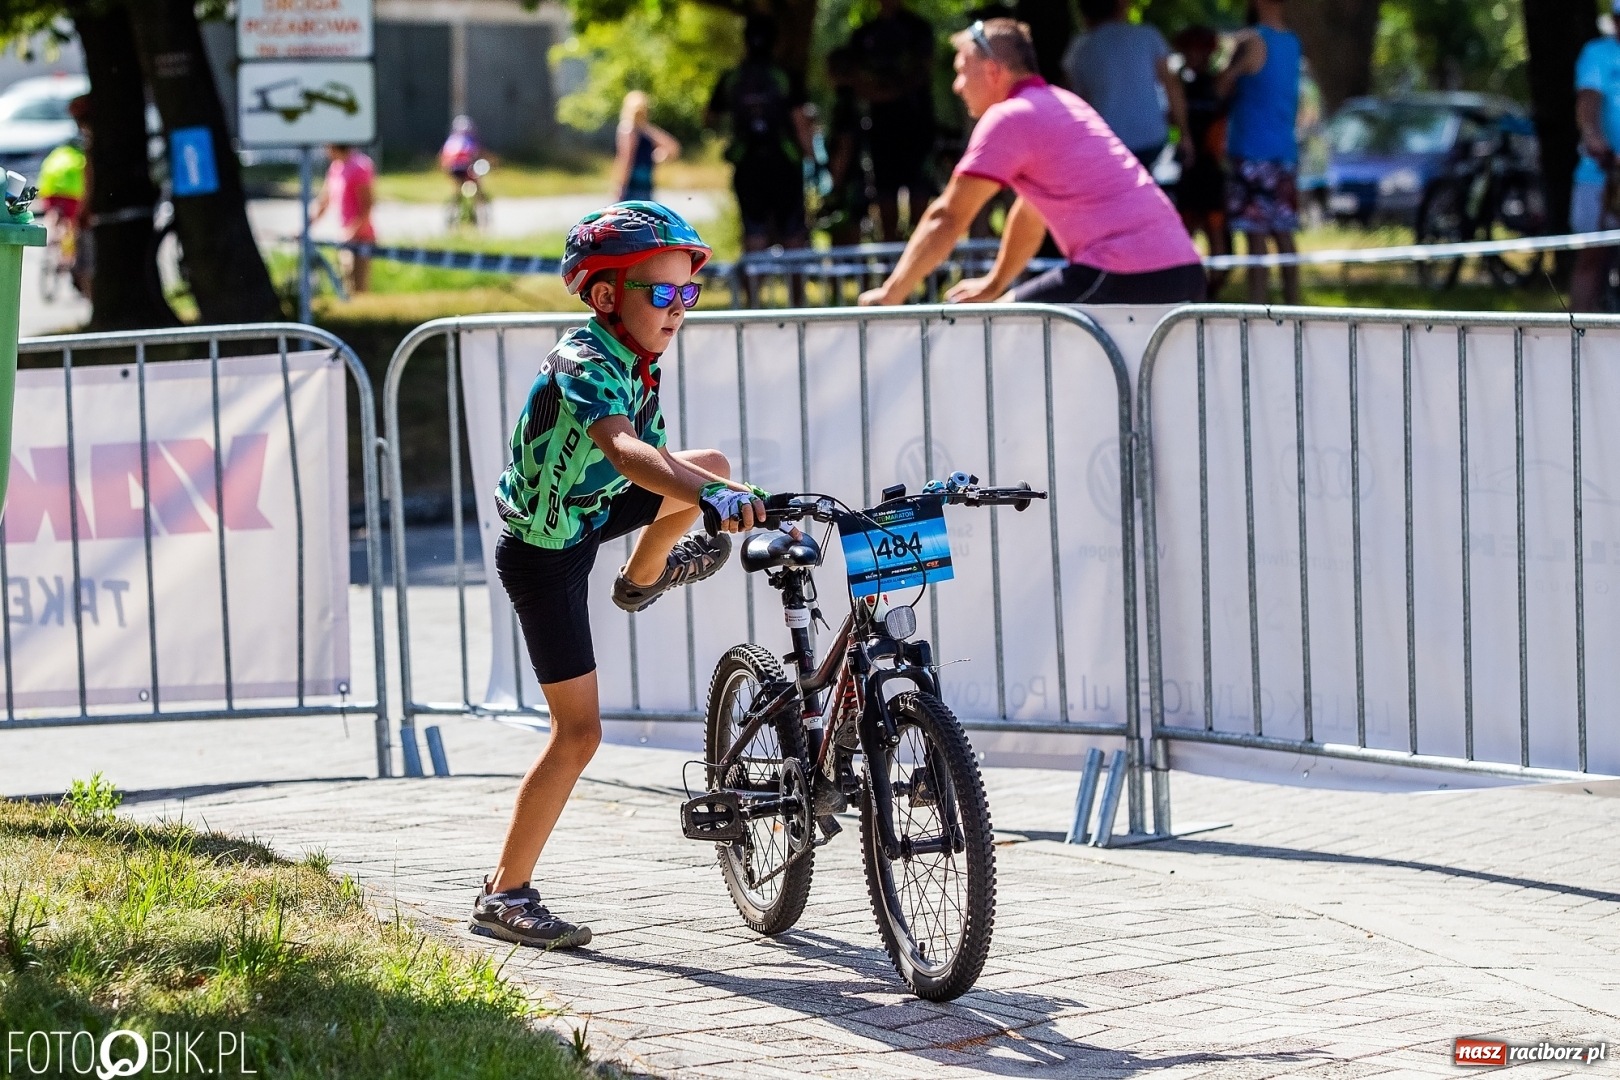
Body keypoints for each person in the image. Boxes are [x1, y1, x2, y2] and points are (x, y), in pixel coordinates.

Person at [468, 202, 768, 948]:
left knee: (712, 465)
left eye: (687, 295)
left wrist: (708, 488)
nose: (677, 310)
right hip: (542, 554)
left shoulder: (638, 362)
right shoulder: (584, 359)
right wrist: (711, 499)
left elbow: (661, 466)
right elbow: (630, 455)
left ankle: (642, 579)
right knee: (579, 733)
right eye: (661, 294)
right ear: (606, 296)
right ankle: (505, 896)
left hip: (588, 513)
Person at [859, 18, 1203, 307]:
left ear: (993, 71)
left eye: (963, 71)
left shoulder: (1010, 117)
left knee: (1000, 333)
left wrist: (890, 296)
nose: (957, 86)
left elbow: (947, 217)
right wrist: (995, 284)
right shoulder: (1060, 103)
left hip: (1123, 272)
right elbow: (1031, 215)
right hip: (1182, 272)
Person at [1217, 0, 1302, 305]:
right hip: (1284, 151)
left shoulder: (1250, 40)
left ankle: (1256, 309)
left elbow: (1222, 85)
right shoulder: (1292, 42)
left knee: (1256, 239)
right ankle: (1295, 307)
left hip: (1252, 152)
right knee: (1284, 234)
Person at [707, 16, 813, 254]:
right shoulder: (786, 75)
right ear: (777, 43)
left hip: (747, 162)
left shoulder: (732, 78)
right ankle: (797, 292)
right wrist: (811, 156)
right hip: (784, 161)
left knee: (754, 231)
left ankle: (752, 292)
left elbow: (709, 118)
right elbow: (800, 122)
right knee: (793, 230)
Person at [1063, 0, 1190, 176]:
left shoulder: (1080, 48)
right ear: (1122, 6)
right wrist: (1185, 134)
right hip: (1151, 139)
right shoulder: (1148, 35)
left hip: (1107, 143)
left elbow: (1074, 102)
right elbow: (1172, 86)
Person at [847, 0, 938, 239]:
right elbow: (856, 78)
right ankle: (892, 268)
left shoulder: (918, 29)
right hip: (880, 132)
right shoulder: (864, 34)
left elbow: (924, 70)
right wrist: (880, 94)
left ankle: (925, 266)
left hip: (916, 129)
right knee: (885, 205)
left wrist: (891, 93)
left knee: (920, 200)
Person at [1173, 25, 1231, 296]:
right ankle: (1186, 285)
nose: (1191, 56)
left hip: (1211, 168)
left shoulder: (1218, 87)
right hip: (1189, 169)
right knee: (1185, 231)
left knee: (1216, 228)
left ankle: (1214, 286)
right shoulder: (1181, 88)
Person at [1570, 0, 1620, 312]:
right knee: (1592, 255)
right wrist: (1593, 138)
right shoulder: (1598, 54)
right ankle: (1579, 336)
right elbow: (1588, 102)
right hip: (1600, 175)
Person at [312, 143, 375, 293]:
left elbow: (367, 206)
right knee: (345, 289)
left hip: (360, 239)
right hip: (344, 238)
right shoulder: (335, 167)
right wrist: (306, 226)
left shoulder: (360, 166)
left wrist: (351, 233)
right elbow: (323, 202)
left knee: (357, 289)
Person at [613, 92, 681, 203]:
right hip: (646, 184)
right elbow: (673, 148)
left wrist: (620, 185)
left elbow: (626, 160)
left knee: (626, 217)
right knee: (645, 217)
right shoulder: (647, 132)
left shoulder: (627, 129)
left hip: (632, 184)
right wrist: (657, 156)